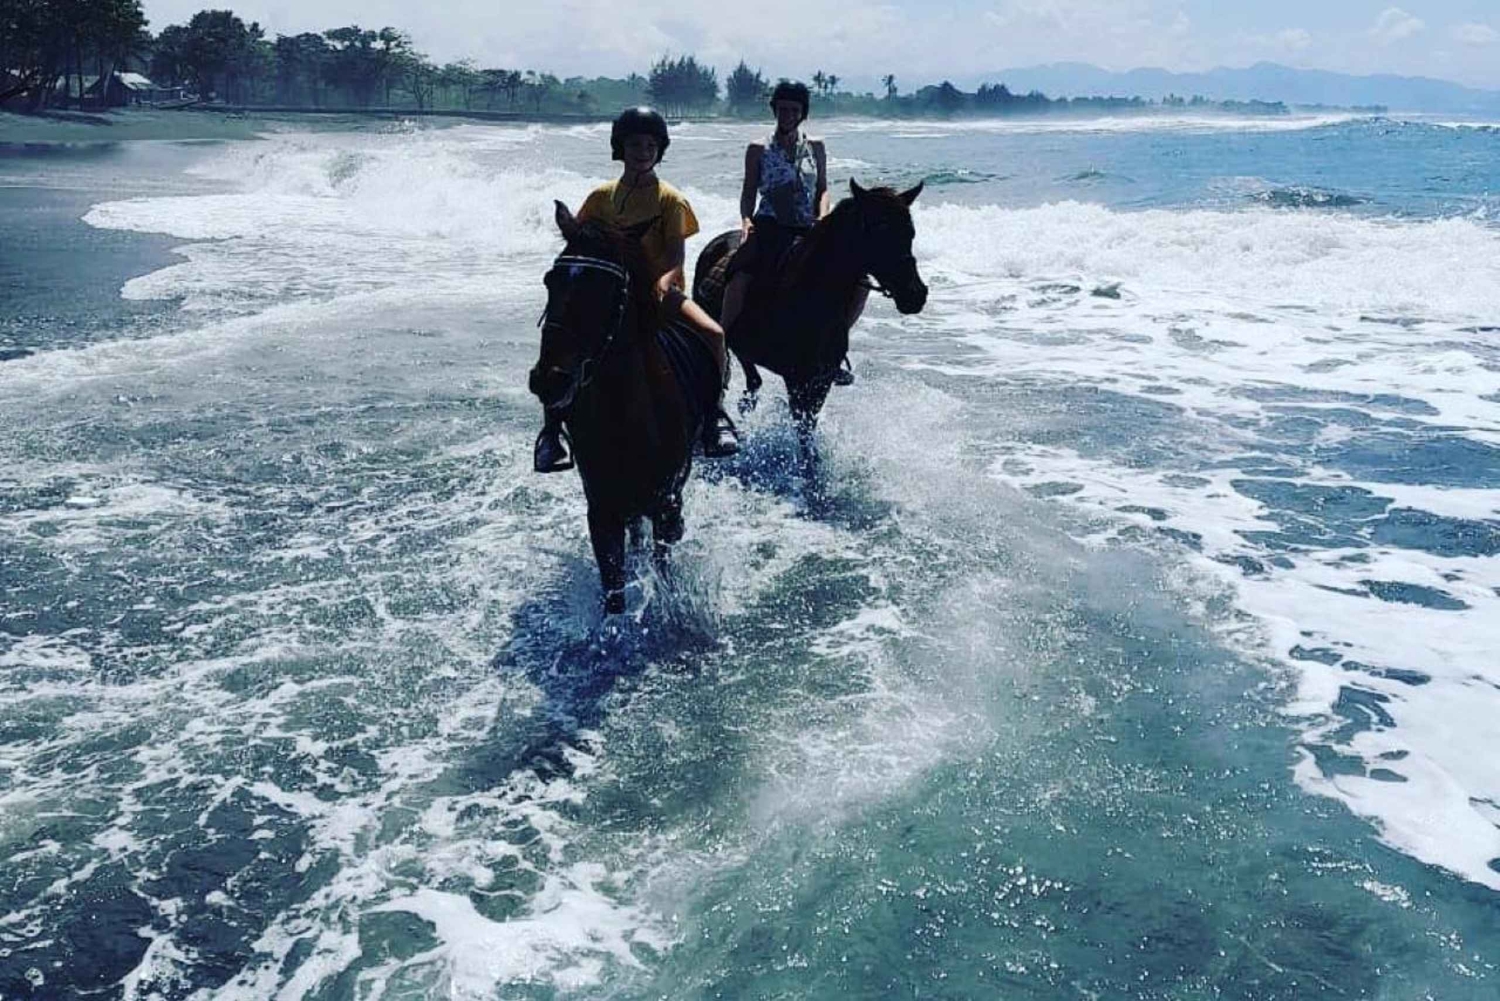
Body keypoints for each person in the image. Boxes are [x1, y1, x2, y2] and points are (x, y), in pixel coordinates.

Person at [535, 107, 740, 473]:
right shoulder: (601, 197)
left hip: (657, 295)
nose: (642, 151)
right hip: (607, 296)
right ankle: (552, 433)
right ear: (620, 148)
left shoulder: (670, 200)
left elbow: (676, 258)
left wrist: (664, 281)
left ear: (660, 149)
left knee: (714, 332)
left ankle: (714, 416)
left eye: (650, 145)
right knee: (561, 340)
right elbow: (581, 242)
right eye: (634, 144)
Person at [720, 80, 860, 386]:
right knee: (740, 274)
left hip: (809, 227)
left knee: (856, 282)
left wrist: (822, 217)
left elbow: (822, 188)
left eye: (794, 110)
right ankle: (721, 343)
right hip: (771, 225)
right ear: (775, 110)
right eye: (782, 109)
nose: (787, 114)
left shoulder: (816, 147)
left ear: (802, 113)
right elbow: (748, 193)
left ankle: (833, 349)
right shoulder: (758, 149)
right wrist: (746, 220)